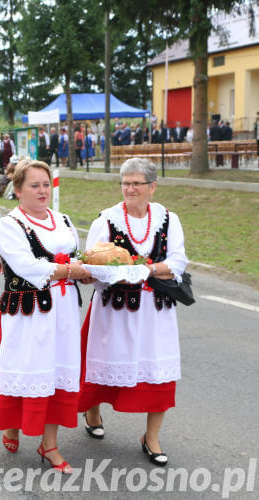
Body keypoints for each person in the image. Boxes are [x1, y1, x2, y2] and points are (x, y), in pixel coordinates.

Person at [0, 160, 90, 474]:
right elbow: (27, 267)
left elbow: (75, 258)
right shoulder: (9, 225)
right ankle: (12, 424)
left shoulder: (63, 220)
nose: (42, 191)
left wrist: (84, 272)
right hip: (29, 310)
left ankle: (49, 443)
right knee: (27, 368)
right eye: (34, 185)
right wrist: (70, 270)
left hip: (64, 309)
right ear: (17, 190)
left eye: (46, 184)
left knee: (58, 372)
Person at [79, 158, 188, 467]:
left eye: (136, 183)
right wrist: (118, 272)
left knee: (158, 377)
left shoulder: (168, 218)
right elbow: (92, 263)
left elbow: (178, 262)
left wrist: (146, 269)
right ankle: (92, 410)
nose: (129, 188)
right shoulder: (108, 220)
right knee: (104, 368)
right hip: (116, 310)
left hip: (155, 312)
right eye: (125, 182)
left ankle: (150, 437)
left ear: (152, 187)